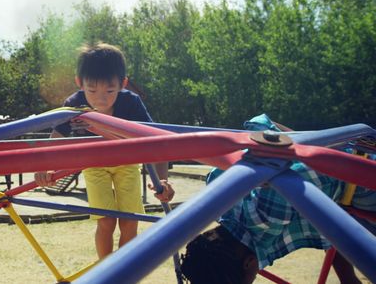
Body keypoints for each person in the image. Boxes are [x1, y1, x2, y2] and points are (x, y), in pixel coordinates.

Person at [180, 113, 376, 284]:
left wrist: (306, 150)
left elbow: (327, 215)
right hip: (343, 179)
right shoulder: (221, 198)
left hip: (360, 176)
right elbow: (260, 122)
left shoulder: (267, 220)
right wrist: (302, 143)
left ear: (248, 264)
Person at [34, 42, 175, 259]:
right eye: (92, 90)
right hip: (94, 163)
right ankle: (105, 272)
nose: (101, 98)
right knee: (106, 220)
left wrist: (163, 180)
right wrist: (46, 167)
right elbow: (57, 138)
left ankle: (122, 273)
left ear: (123, 84)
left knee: (130, 221)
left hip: (127, 162)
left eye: (110, 90)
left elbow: (155, 141)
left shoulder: (131, 103)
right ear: (80, 83)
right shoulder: (74, 104)